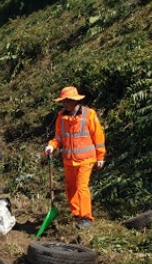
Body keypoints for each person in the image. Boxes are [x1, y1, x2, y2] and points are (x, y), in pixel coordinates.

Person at [44, 86, 106, 230]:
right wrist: (52, 145)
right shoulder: (61, 117)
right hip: (68, 159)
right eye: (64, 101)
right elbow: (58, 137)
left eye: (68, 101)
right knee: (70, 187)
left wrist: (100, 156)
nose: (66, 104)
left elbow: (98, 137)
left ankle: (86, 217)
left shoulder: (89, 114)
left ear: (75, 100)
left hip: (86, 159)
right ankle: (76, 214)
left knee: (81, 187)